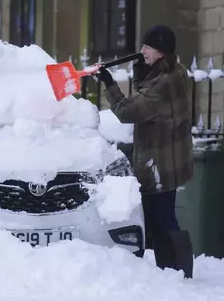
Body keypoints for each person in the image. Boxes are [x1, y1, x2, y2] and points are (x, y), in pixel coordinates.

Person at [93, 24, 194, 279]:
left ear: (161, 51)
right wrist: (142, 71)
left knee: (160, 218)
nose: (141, 51)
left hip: (160, 162)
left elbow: (128, 111)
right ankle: (172, 269)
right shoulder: (175, 72)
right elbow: (146, 100)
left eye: (147, 47)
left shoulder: (163, 83)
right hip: (169, 159)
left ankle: (177, 270)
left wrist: (109, 84)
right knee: (162, 216)